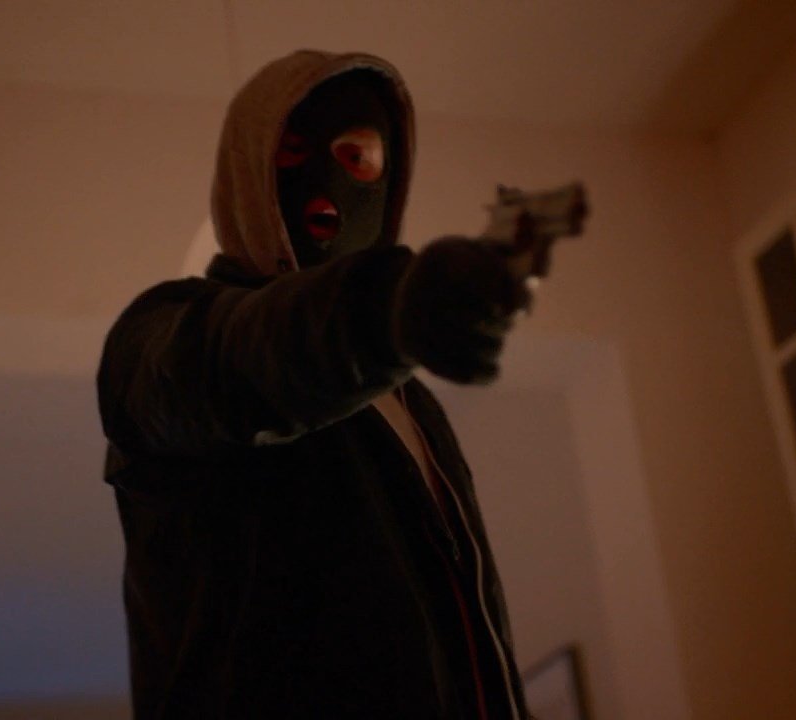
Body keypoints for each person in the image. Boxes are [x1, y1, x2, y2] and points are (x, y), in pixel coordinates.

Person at [97, 49, 538, 719]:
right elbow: (231, 365)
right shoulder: (165, 338)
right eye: (292, 151)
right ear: (248, 168)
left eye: (358, 156)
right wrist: (386, 310)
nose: (328, 182)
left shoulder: (413, 404)